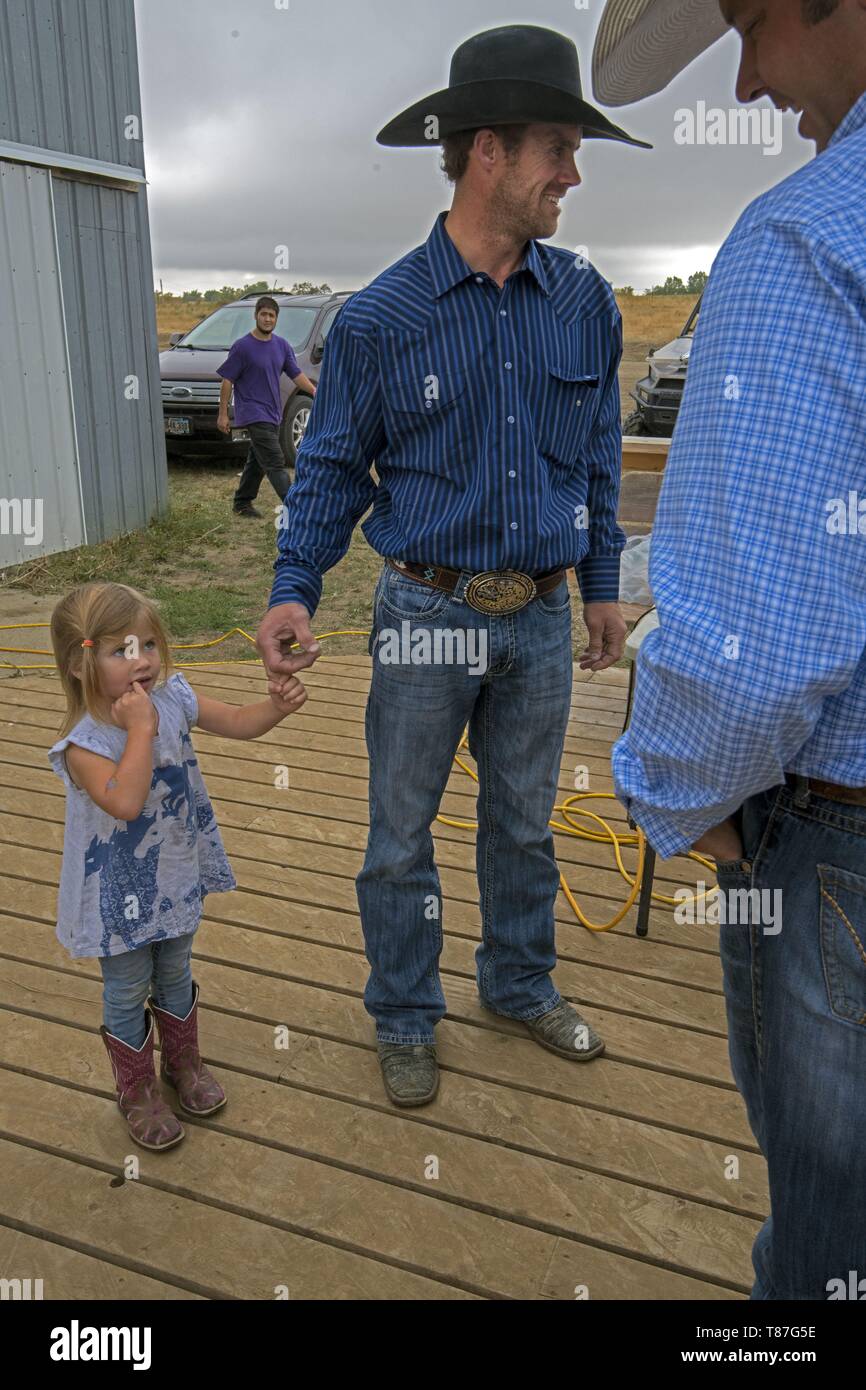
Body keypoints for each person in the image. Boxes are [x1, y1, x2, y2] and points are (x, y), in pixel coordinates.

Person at [256, 25, 650, 1108]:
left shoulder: (585, 302)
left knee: (523, 824)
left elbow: (599, 459)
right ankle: (403, 1013)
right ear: (487, 151)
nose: (571, 174)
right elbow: (331, 467)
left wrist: (601, 581)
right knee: (398, 838)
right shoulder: (381, 318)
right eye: (556, 150)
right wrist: (293, 588)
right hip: (421, 613)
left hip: (535, 620)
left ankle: (519, 985)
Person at [593, 0, 866, 1298]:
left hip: (836, 854)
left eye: (752, 18)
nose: (748, 80)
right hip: (437, 610)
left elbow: (751, 655)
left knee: (832, 1252)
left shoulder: (807, 236)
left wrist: (671, 794)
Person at [47, 581, 307, 1150]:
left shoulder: (174, 699)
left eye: (148, 645)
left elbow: (237, 720)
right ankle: (137, 1090)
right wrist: (140, 731)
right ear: (78, 662)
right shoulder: (83, 743)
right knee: (125, 988)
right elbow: (123, 801)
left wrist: (275, 708)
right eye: (120, 650)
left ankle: (182, 1064)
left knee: (175, 970)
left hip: (175, 874)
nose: (140, 661)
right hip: (117, 894)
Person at [216, 295, 318, 518]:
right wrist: (223, 414)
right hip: (253, 412)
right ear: (256, 316)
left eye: (271, 315)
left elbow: (296, 374)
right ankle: (298, 510)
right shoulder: (242, 347)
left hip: (273, 412)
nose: (267, 319)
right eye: (263, 314)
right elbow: (227, 380)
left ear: (276, 319)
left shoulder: (282, 346)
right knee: (274, 460)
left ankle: (242, 502)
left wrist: (314, 391)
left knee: (257, 460)